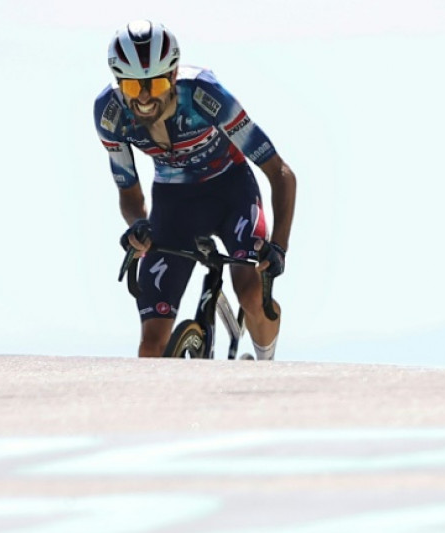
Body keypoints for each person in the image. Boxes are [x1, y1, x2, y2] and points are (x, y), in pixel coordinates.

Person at [93, 20, 296, 359]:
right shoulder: (110, 114)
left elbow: (282, 174)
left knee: (251, 295)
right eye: (131, 87)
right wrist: (137, 226)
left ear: (172, 76)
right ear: (118, 82)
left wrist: (279, 248)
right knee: (151, 346)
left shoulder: (205, 96)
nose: (143, 98)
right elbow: (130, 195)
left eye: (155, 84)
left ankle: (265, 365)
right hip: (175, 205)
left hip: (231, 193)